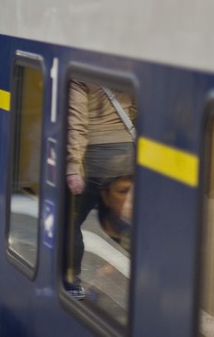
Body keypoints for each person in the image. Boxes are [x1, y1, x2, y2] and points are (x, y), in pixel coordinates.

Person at [64, 80, 136, 300]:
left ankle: (72, 282)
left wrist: (73, 167)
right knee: (121, 222)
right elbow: (136, 108)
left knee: (70, 223)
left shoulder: (80, 74)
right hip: (127, 158)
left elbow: (77, 124)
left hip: (98, 161)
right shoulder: (123, 68)